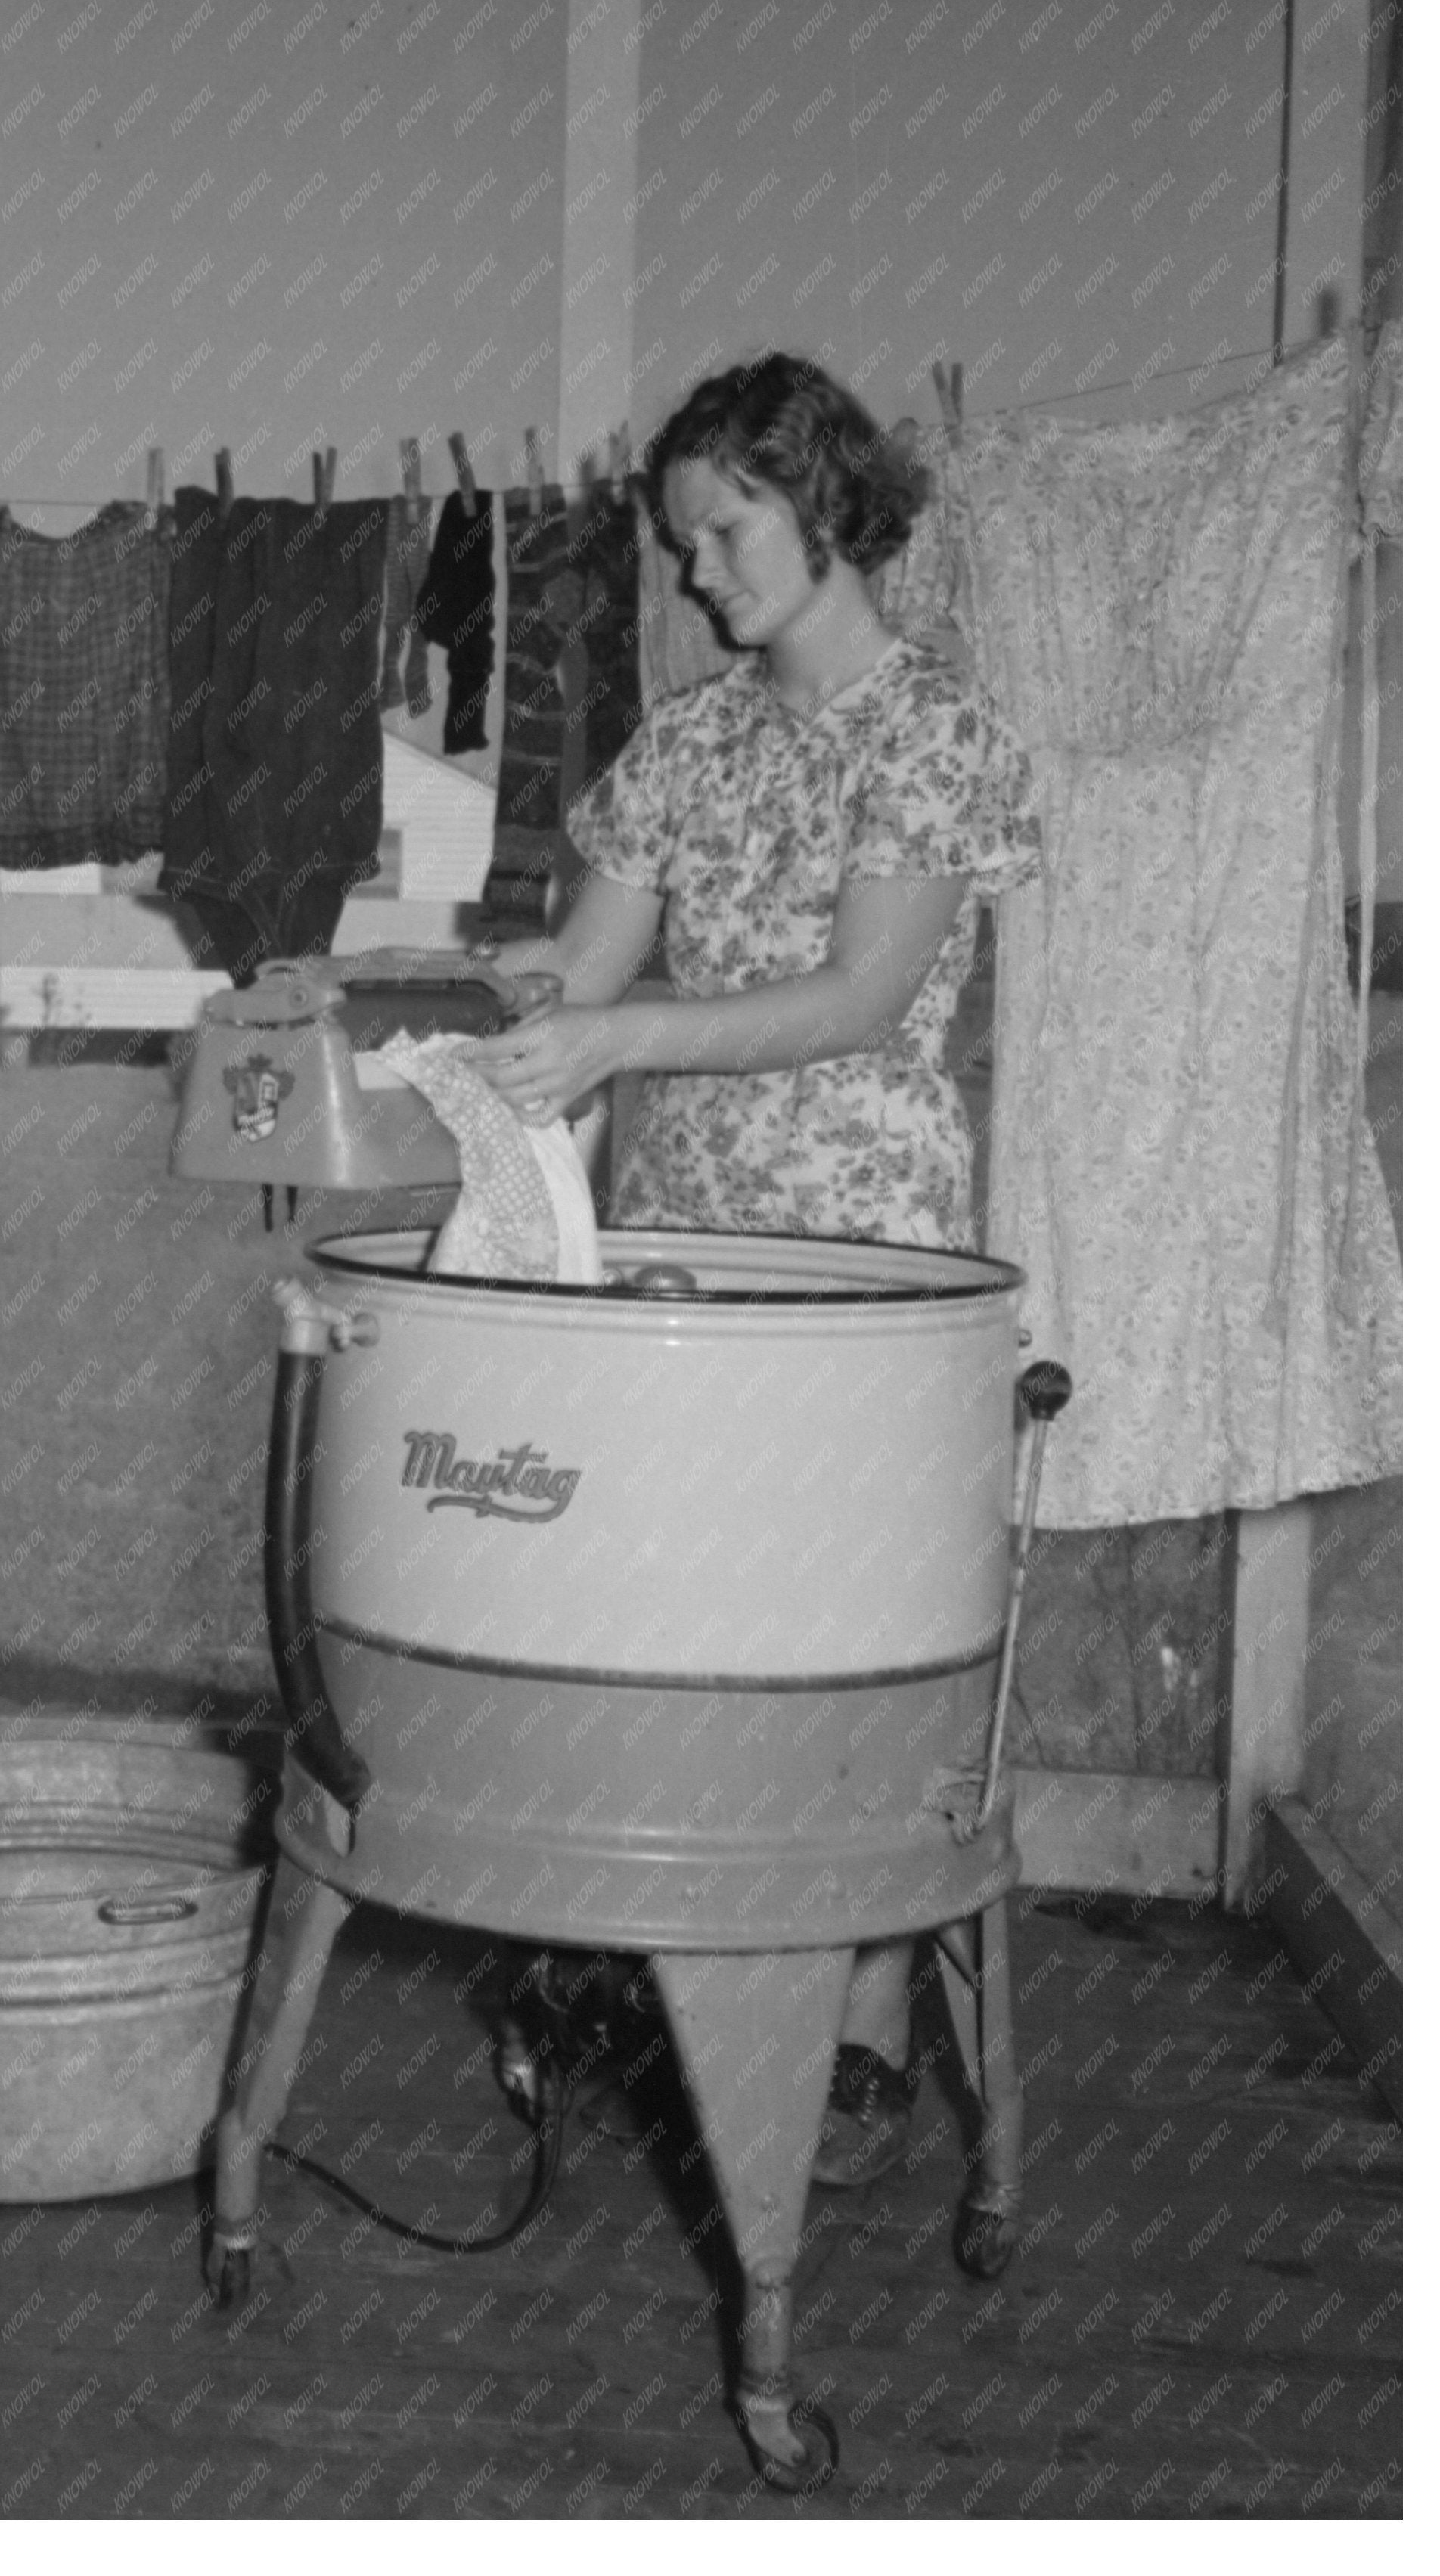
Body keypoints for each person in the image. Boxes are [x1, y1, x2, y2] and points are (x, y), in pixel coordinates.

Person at [476, 352, 1039, 2183]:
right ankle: (669, 1984)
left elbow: (864, 997)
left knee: (845, 1655)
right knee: (678, 1640)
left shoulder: (934, 731)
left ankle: (857, 2036)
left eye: (724, 529)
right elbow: (586, 967)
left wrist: (620, 1039)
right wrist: (491, 1008)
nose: (698, 571)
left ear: (822, 498)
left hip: (858, 1272)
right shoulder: (688, 741)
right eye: (679, 541)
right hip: (679, 1268)